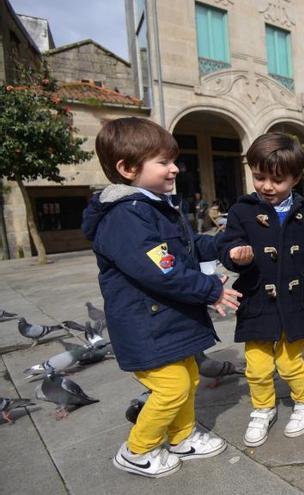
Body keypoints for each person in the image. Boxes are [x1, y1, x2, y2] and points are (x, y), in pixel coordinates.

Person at [82, 117, 240, 478]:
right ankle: (137, 450)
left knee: (188, 376)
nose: (174, 169)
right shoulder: (126, 216)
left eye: (173, 160)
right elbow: (161, 270)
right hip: (145, 325)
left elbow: (185, 248)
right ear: (127, 168)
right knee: (172, 386)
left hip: (167, 321)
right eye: (163, 162)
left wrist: (223, 243)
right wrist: (211, 289)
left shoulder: (155, 205)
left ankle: (182, 436)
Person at [216, 133, 304, 448]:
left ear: (295, 177)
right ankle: (263, 408)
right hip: (257, 298)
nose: (266, 186)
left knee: (290, 363)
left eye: (276, 180)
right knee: (257, 365)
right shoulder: (242, 210)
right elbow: (228, 243)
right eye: (259, 176)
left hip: (296, 299)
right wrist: (235, 253)